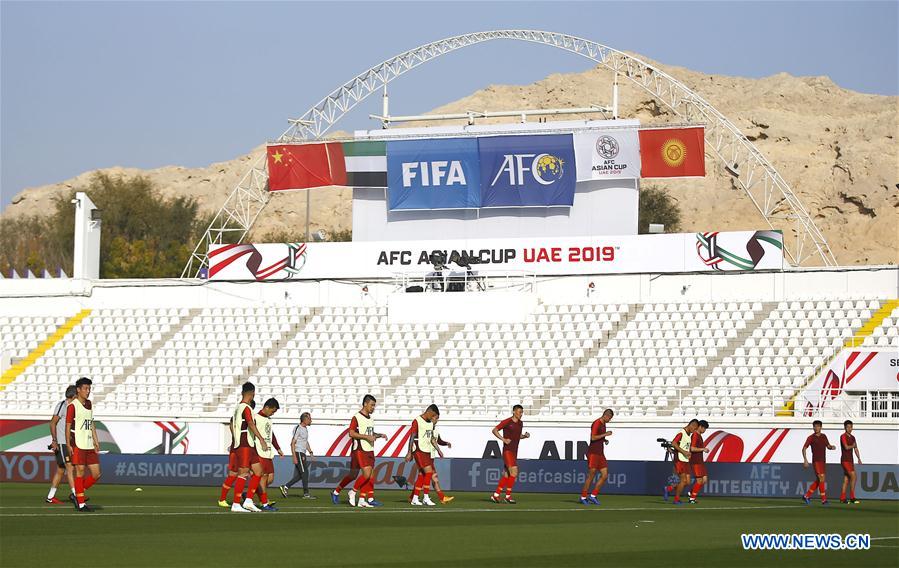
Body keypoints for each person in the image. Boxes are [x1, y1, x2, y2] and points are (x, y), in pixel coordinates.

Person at [229, 382, 268, 513]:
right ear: (253, 394)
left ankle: (248, 501)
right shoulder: (245, 408)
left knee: (258, 472)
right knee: (244, 472)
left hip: (249, 444)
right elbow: (250, 423)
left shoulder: (237, 408)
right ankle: (235, 504)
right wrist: (261, 439)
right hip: (245, 444)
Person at [342, 394, 387, 508]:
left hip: (370, 449)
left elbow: (370, 433)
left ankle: (362, 500)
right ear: (365, 404)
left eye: (374, 406)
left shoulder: (371, 419)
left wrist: (380, 435)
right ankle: (352, 491)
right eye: (372, 405)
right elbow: (351, 433)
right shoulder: (356, 417)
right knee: (366, 474)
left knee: (370, 475)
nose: (373, 408)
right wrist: (367, 437)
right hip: (361, 448)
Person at [65, 377, 101, 512]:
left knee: (96, 474)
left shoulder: (89, 404)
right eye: (85, 388)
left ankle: (77, 493)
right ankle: (81, 504)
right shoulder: (72, 406)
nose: (88, 391)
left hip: (89, 444)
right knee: (79, 472)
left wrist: (96, 441)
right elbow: (68, 426)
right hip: (78, 443)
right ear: (78, 390)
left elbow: (91, 423)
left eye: (89, 388)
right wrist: (68, 444)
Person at [219, 399, 255, 508]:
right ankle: (223, 499)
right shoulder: (238, 417)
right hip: (238, 448)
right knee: (234, 474)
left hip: (243, 447)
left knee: (251, 473)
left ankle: (246, 499)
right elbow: (232, 427)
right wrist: (236, 441)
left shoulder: (247, 416)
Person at [490, 404, 530, 504]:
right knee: (515, 471)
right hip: (507, 451)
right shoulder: (507, 421)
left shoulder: (520, 423)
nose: (521, 414)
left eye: (522, 412)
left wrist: (524, 436)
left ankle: (496, 495)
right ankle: (508, 496)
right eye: (519, 412)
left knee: (507, 474)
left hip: (514, 451)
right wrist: (503, 439)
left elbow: (516, 435)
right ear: (514, 412)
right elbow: (494, 430)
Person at [47, 385, 77, 504]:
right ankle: (76, 495)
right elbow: (52, 423)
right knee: (70, 467)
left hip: (65, 442)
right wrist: (54, 440)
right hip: (62, 442)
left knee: (61, 469)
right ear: (74, 395)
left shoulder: (72, 407)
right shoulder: (62, 406)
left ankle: (50, 496)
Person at [252, 398, 284, 512]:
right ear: (266, 407)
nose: (273, 413)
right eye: (272, 411)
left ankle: (250, 494)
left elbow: (271, 435)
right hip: (259, 451)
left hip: (268, 452)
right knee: (263, 478)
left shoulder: (269, 420)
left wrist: (278, 448)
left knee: (270, 479)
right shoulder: (255, 418)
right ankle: (264, 503)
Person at [406, 404, 439, 506]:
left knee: (422, 474)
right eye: (432, 415)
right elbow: (412, 436)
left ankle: (415, 498)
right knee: (429, 472)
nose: (433, 418)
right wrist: (409, 452)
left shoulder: (430, 423)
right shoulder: (417, 421)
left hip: (427, 450)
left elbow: (432, 438)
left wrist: (438, 449)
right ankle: (425, 497)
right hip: (418, 450)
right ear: (429, 411)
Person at [579, 408, 613, 505]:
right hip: (593, 453)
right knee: (591, 475)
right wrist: (605, 434)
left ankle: (593, 496)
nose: (609, 420)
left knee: (605, 475)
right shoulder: (597, 423)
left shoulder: (603, 424)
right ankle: (583, 497)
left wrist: (604, 440)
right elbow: (593, 437)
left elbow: (599, 437)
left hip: (600, 453)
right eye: (609, 418)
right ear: (606, 416)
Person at [280, 412, 316, 499]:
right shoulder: (298, 428)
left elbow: (305, 442)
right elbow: (292, 443)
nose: (311, 420)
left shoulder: (305, 429)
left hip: (302, 453)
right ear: (305, 419)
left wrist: (311, 453)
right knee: (305, 473)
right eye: (310, 419)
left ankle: (285, 487)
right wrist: (294, 456)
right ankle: (306, 494)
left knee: (301, 474)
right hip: (298, 453)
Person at [802, 419, 835, 505]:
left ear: (821, 427)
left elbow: (828, 446)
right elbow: (804, 448)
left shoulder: (824, 436)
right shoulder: (811, 437)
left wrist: (831, 447)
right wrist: (805, 459)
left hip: (823, 461)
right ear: (813, 427)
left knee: (820, 479)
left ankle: (806, 495)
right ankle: (824, 500)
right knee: (821, 478)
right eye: (815, 426)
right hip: (816, 461)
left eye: (818, 426)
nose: (816, 428)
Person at [667, 418, 700, 505]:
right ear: (691, 425)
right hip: (679, 459)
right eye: (695, 428)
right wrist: (683, 452)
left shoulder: (688, 435)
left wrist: (688, 453)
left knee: (687, 482)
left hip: (685, 460)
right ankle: (676, 499)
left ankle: (669, 489)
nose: (694, 430)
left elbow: (684, 446)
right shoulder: (681, 433)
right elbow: (674, 443)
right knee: (683, 480)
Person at [429, 414, 453, 504]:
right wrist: (439, 450)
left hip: (431, 456)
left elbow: (438, 440)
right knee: (433, 477)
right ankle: (441, 497)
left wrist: (446, 443)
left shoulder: (435, 429)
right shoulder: (427, 428)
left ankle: (412, 497)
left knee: (424, 477)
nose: (437, 420)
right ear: (431, 418)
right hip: (426, 455)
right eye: (436, 418)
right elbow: (432, 440)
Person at [688, 420, 711, 504]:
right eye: (704, 428)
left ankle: (691, 493)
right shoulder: (695, 435)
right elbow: (692, 448)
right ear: (700, 427)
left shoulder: (699, 435)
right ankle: (692, 498)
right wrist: (703, 449)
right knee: (699, 481)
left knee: (704, 480)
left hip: (700, 461)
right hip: (695, 461)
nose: (705, 430)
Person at [839, 420, 862, 504]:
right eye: (847, 427)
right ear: (845, 427)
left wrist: (859, 458)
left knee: (846, 479)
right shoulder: (843, 436)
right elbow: (846, 447)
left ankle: (842, 498)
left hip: (850, 460)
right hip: (845, 460)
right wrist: (853, 446)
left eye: (850, 427)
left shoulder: (853, 437)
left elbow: (856, 448)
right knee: (854, 476)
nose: (849, 428)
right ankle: (852, 497)